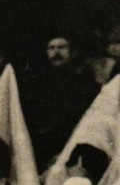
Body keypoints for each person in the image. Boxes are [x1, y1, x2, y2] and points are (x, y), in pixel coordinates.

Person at [20, 32, 99, 173]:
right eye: (51, 48)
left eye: (62, 47)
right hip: (42, 153)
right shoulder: (36, 86)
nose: (56, 52)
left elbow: (88, 123)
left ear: (72, 51)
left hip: (74, 151)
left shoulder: (85, 85)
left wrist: (66, 153)